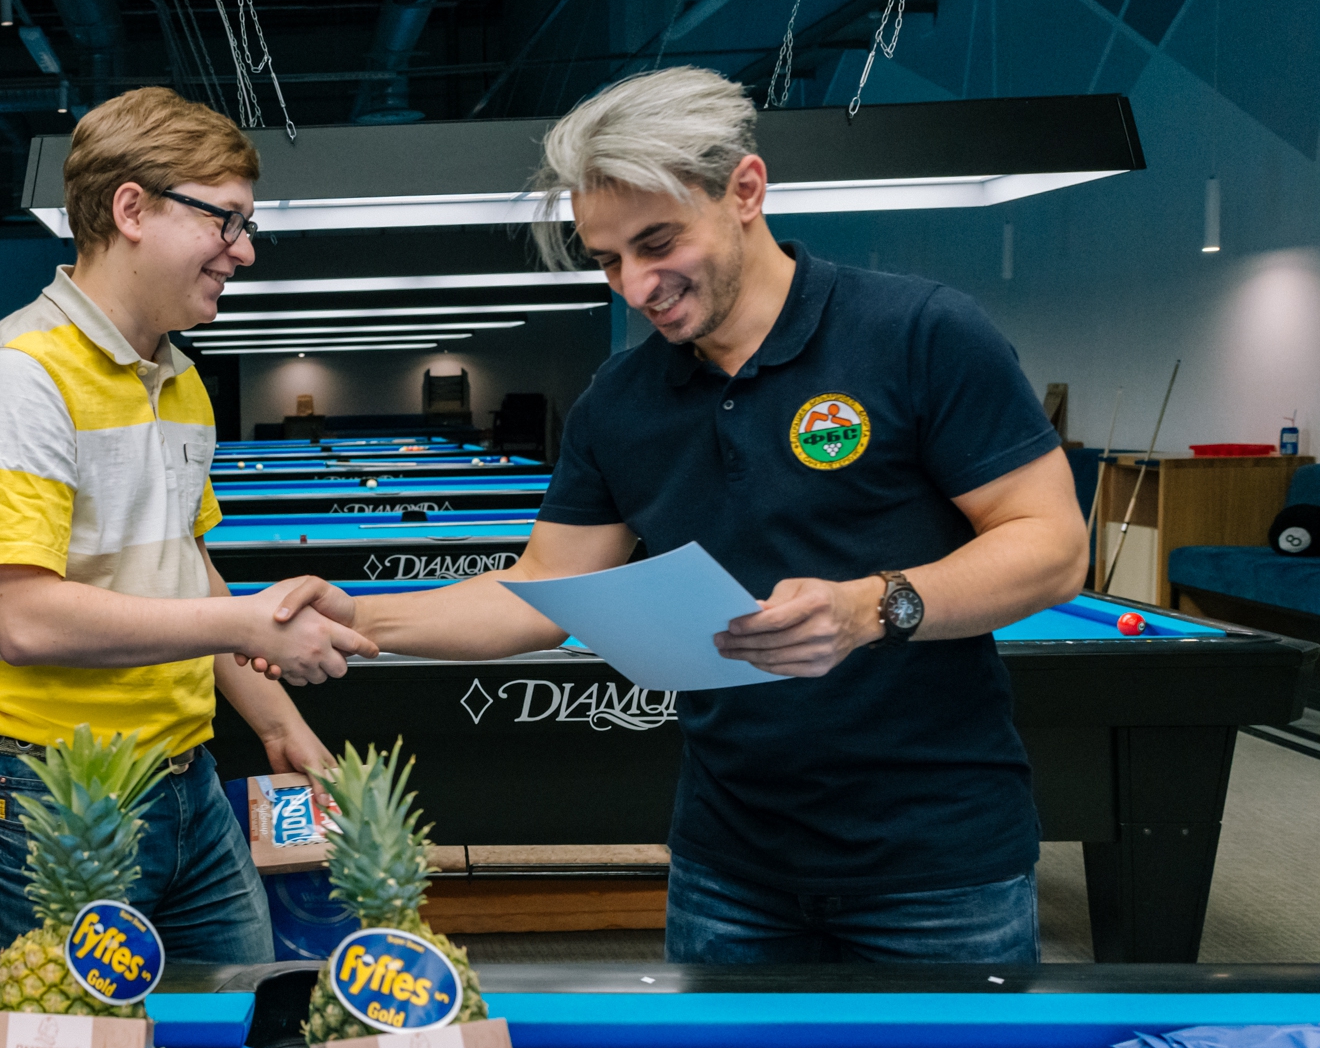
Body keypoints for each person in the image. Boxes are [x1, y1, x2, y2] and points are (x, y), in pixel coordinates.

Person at [269, 67, 1089, 965]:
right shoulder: (620, 402)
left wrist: (870, 607)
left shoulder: (921, 332)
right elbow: (541, 589)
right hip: (727, 867)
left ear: (746, 190)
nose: (635, 286)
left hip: (941, 864)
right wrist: (359, 619)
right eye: (608, 259)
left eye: (658, 243)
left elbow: (1051, 547)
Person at [0, 86, 373, 966]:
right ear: (131, 209)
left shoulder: (179, 376)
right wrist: (249, 624)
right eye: (226, 220)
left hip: (186, 775)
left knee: (242, 1012)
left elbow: (186, 569)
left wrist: (277, 722)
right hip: (50, 788)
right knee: (66, 1040)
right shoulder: (18, 376)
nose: (244, 250)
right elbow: (25, 619)